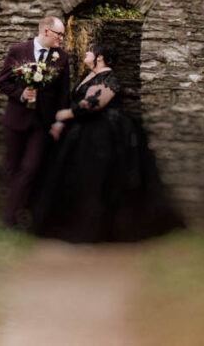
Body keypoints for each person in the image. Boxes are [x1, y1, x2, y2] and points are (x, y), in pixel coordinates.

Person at [31, 42, 184, 243]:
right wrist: (60, 122)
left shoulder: (110, 77)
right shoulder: (88, 76)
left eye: (89, 51)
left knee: (100, 177)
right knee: (78, 177)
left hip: (105, 133)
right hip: (82, 132)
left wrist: (65, 114)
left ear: (100, 56)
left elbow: (94, 104)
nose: (85, 53)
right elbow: (77, 100)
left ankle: (102, 230)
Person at [0, 16, 71, 229]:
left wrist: (59, 123)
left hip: (41, 123)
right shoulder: (18, 51)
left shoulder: (62, 58)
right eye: (59, 34)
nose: (62, 39)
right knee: (13, 169)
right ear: (46, 31)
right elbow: (2, 82)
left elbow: (63, 95)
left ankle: (8, 219)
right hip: (15, 120)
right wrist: (21, 93)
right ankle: (21, 212)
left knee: (30, 168)